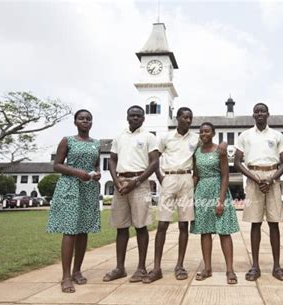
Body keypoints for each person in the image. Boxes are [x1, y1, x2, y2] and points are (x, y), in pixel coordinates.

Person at [142, 107, 199, 283]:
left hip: (186, 179)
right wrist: (161, 178)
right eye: (184, 117)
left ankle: (180, 265)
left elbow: (197, 160)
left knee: (184, 225)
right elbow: (155, 158)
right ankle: (157, 267)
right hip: (169, 178)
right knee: (162, 224)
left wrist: (194, 180)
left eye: (190, 118)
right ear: (177, 119)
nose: (188, 121)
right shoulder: (166, 137)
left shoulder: (195, 138)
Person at [102, 105, 159, 283]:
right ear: (127, 117)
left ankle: (141, 268)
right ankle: (120, 268)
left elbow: (154, 162)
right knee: (121, 227)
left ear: (143, 119)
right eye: (132, 115)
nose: (135, 118)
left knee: (141, 226)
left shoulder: (149, 137)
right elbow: (112, 160)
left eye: (138, 116)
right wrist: (116, 180)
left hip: (139, 183)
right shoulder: (119, 137)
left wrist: (136, 181)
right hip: (121, 183)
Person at [47, 109, 101, 293]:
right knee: (70, 230)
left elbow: (95, 165)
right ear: (76, 122)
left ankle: (78, 271)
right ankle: (66, 276)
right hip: (71, 186)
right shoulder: (67, 140)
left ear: (92, 122)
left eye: (88, 118)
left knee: (83, 230)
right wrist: (78, 172)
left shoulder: (96, 143)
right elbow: (57, 165)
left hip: (89, 188)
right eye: (82, 118)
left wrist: (97, 174)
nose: (85, 121)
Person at [234, 102, 283, 282]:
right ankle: (255, 266)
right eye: (256, 111)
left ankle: (277, 266)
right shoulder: (245, 135)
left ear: (268, 114)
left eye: (263, 111)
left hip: (273, 176)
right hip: (253, 177)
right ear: (253, 115)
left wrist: (271, 179)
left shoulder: (277, 135)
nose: (259, 114)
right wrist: (257, 179)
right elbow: (237, 162)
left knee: (274, 223)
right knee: (255, 223)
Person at [190, 122, 239, 285]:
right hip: (202, 191)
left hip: (218, 189)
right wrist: (193, 195)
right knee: (205, 232)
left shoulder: (220, 150)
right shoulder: (196, 151)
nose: (204, 134)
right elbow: (196, 175)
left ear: (213, 133)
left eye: (207, 131)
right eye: (201, 131)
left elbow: (225, 176)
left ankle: (230, 270)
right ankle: (207, 268)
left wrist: (221, 199)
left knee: (224, 231)